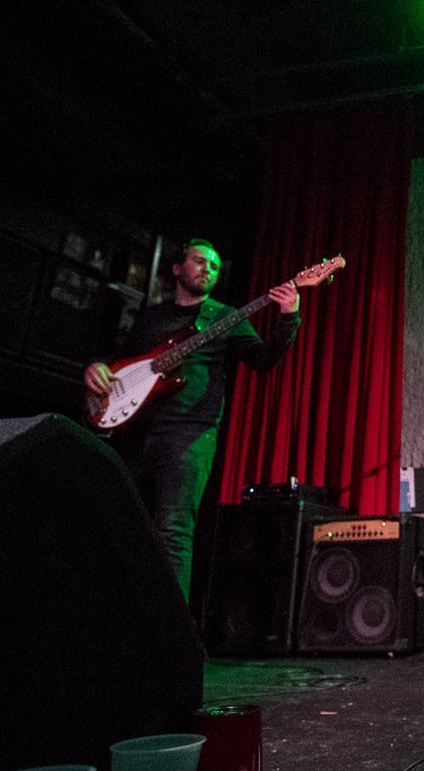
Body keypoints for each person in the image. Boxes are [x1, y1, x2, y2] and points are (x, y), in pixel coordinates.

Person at [84, 239, 300, 600]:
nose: (208, 269)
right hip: (134, 433)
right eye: (200, 261)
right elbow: (121, 360)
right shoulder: (153, 316)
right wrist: (97, 368)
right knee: (117, 526)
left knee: (173, 532)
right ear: (177, 268)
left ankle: (171, 641)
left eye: (215, 266)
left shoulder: (224, 317)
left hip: (189, 435)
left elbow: (263, 360)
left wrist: (289, 316)